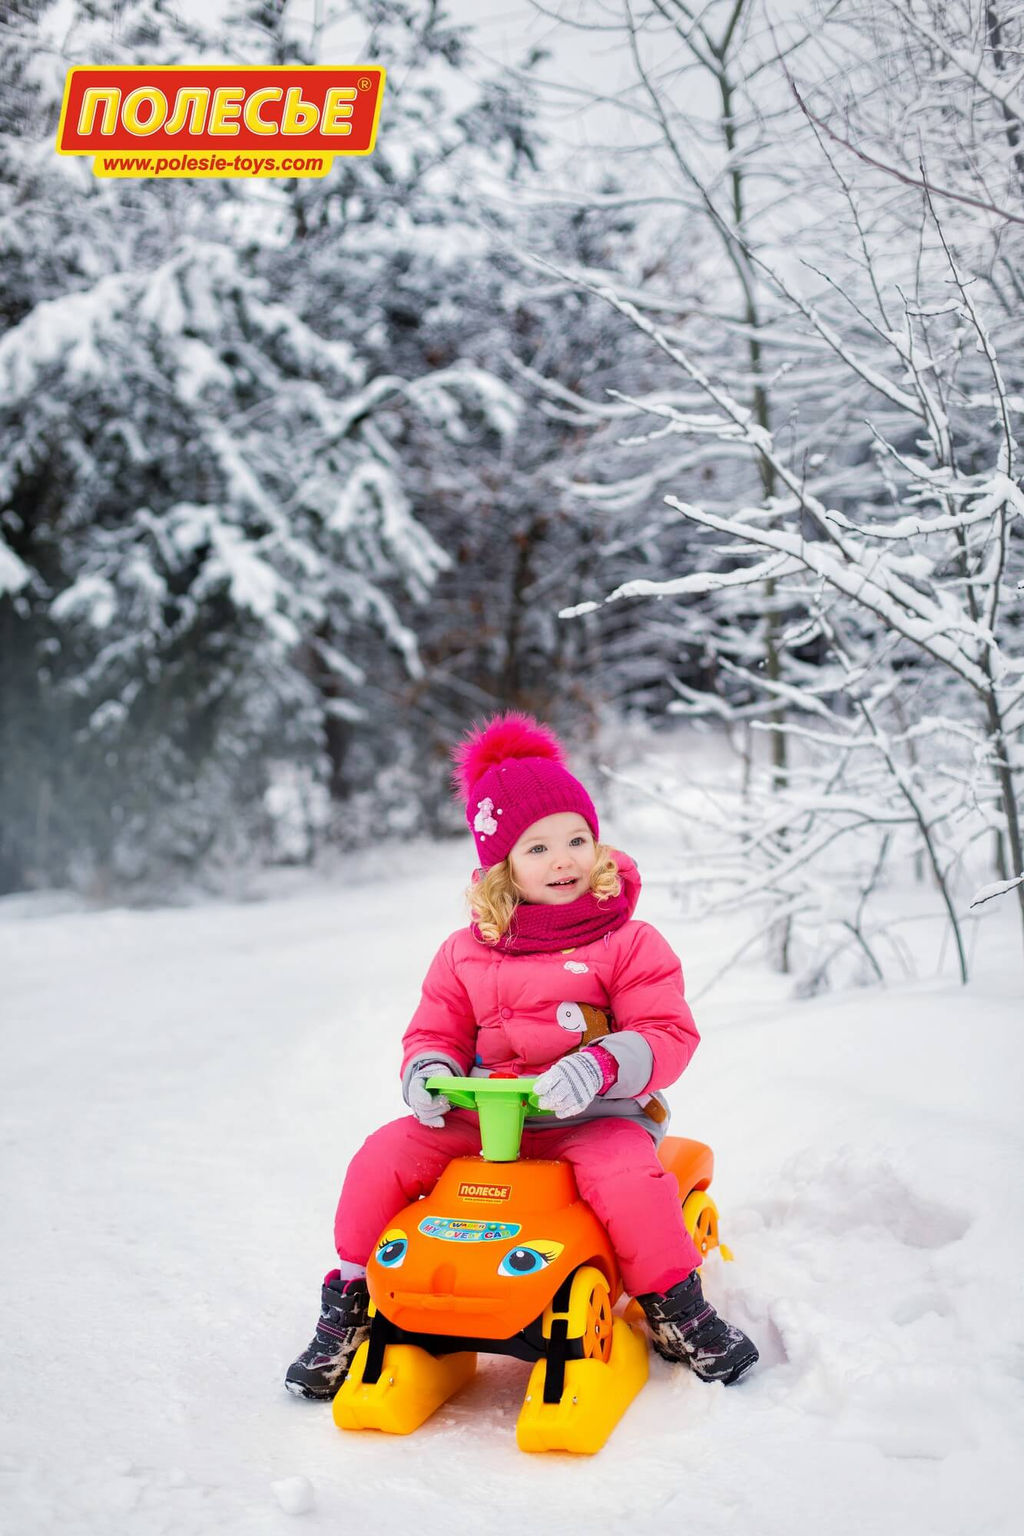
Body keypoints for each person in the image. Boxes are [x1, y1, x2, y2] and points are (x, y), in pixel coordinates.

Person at [286, 713, 758, 1399]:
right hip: (487, 1117)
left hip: (595, 1116)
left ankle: (676, 1307)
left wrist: (600, 1064)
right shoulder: (464, 952)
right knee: (381, 1155)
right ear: (501, 867)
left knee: (630, 1180)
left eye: (577, 840)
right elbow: (435, 1030)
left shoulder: (629, 942)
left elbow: (666, 1031)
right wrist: (429, 1072)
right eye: (538, 848)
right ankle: (354, 1298)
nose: (564, 860)